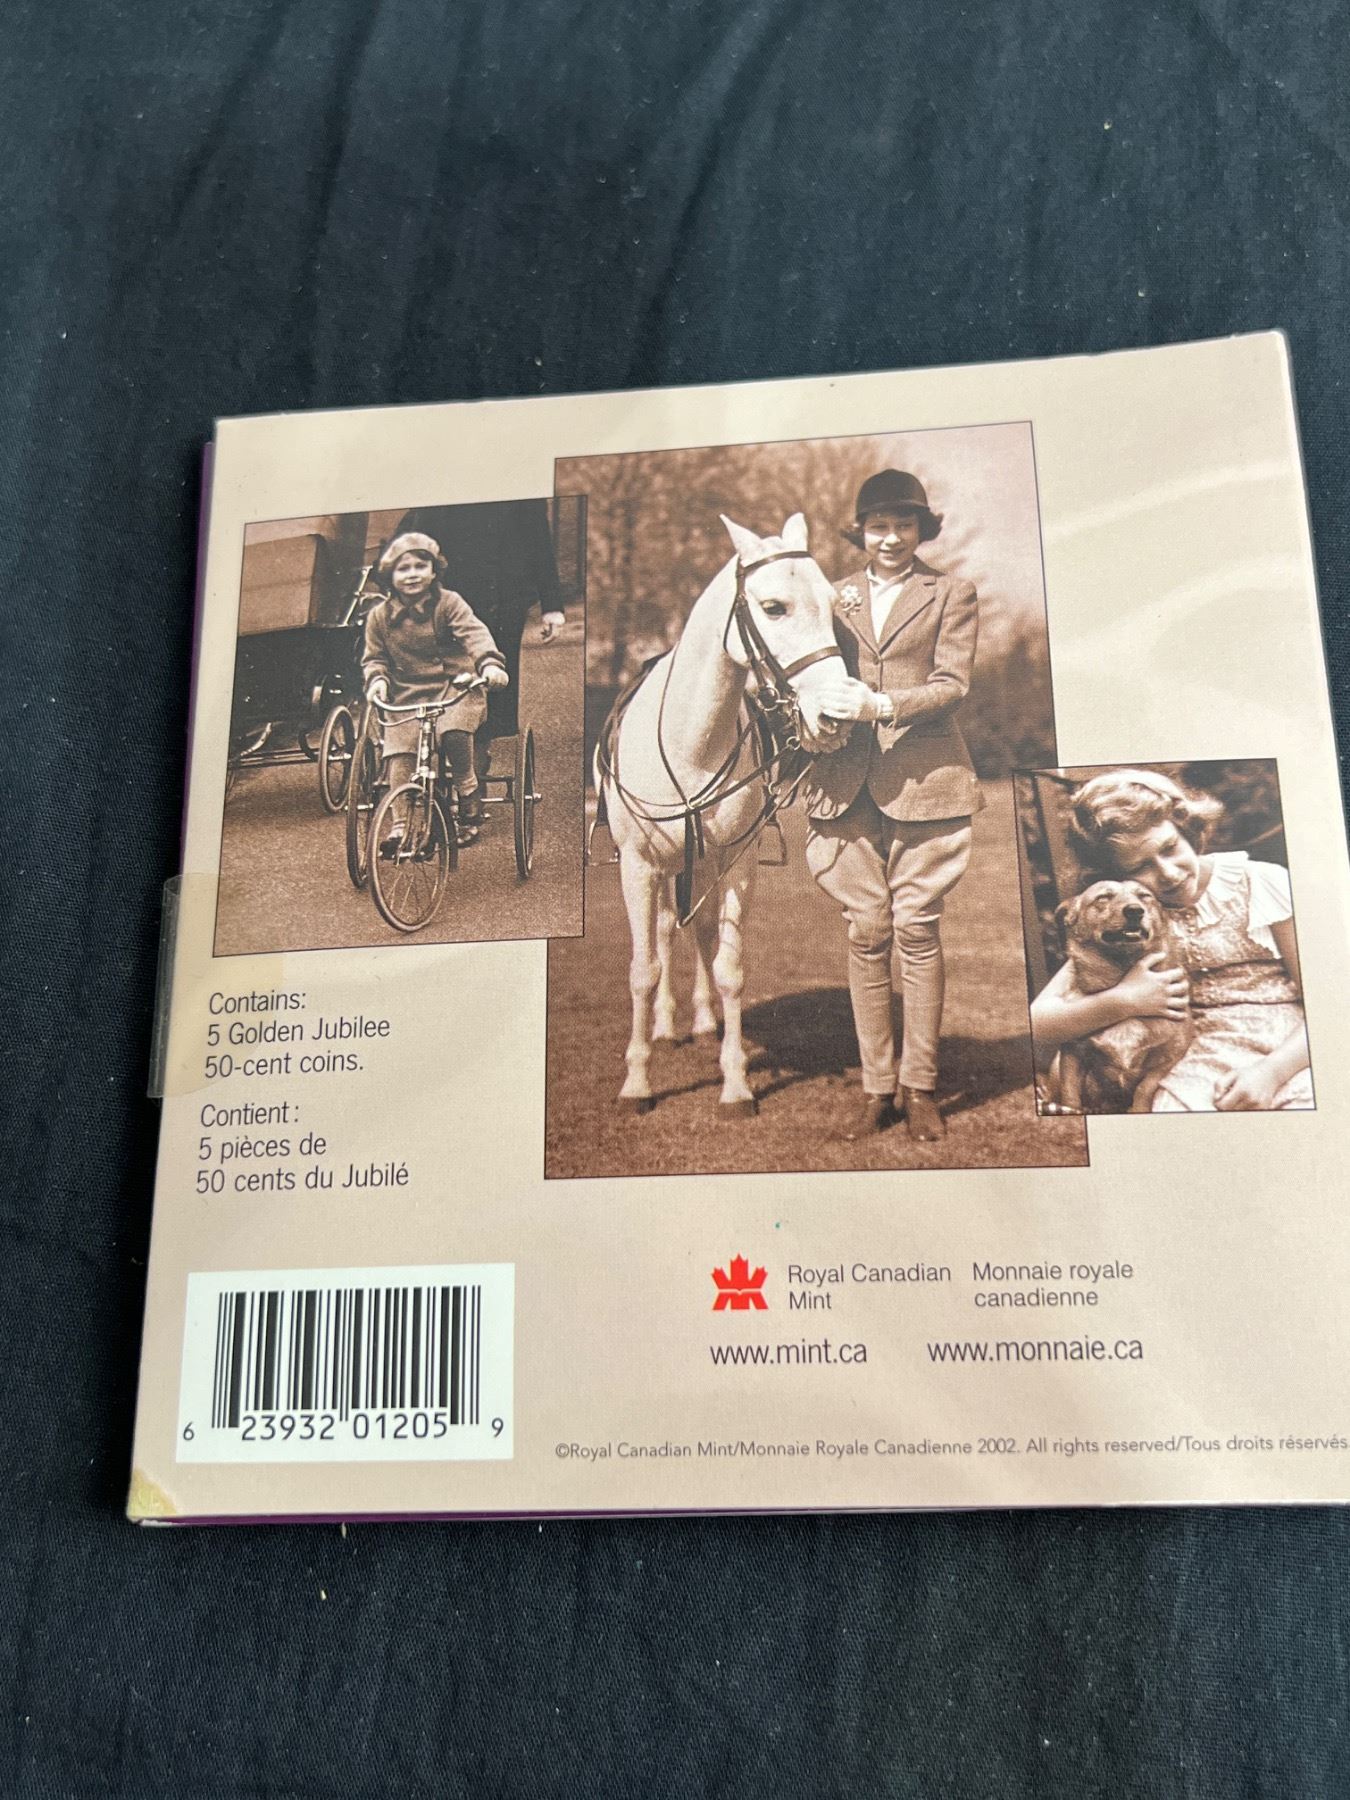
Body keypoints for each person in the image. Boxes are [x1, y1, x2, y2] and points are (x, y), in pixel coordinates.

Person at [804, 470, 982, 1142]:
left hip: (925, 779)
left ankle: (921, 1087)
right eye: (878, 526)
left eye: (904, 525)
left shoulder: (952, 592)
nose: (890, 538)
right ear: (861, 531)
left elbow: (953, 684)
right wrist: (812, 720)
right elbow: (805, 674)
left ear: (921, 530)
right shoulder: (830, 595)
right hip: (841, 781)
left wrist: (883, 705)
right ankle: (877, 1088)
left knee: (917, 929)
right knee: (867, 930)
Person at [1030, 768, 1312, 1110]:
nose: (1168, 873)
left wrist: (1272, 1072)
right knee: (1174, 1110)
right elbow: (1038, 1022)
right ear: (1116, 876)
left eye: (1169, 847)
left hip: (1290, 1047)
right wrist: (1125, 999)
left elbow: (1331, 1004)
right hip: (1198, 1053)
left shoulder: (1261, 883)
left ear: (1187, 829)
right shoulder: (1134, 921)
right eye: (1139, 867)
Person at [396, 499, 566, 784]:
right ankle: (439, 753)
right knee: (438, 677)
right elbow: (418, 529)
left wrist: (552, 606)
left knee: (491, 681)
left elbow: (538, 538)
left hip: (503, 597)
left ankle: (474, 769)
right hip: (444, 593)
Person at [361, 533, 509, 846]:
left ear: (433, 571)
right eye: (403, 568)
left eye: (420, 566)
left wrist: (489, 664)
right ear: (390, 575)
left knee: (454, 730)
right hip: (407, 694)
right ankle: (400, 824)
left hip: (455, 687)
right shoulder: (379, 617)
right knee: (400, 754)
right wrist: (378, 680)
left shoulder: (449, 603)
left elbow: (474, 634)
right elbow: (375, 658)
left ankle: (467, 786)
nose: (412, 574)